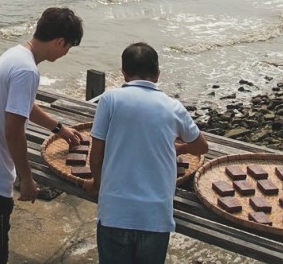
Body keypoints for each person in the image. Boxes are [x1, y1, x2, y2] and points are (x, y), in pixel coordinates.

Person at [0, 7, 85, 264]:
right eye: (68, 48)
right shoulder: (27, 71)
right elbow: (13, 132)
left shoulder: (17, 54)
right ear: (59, 42)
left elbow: (22, 105)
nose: (67, 53)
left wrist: (58, 128)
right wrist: (27, 178)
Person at [85, 42, 209, 264]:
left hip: (115, 213)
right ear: (157, 75)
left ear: (123, 73)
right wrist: (181, 147)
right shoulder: (173, 107)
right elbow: (201, 147)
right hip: (155, 216)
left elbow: (96, 155)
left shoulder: (109, 100)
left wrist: (98, 183)